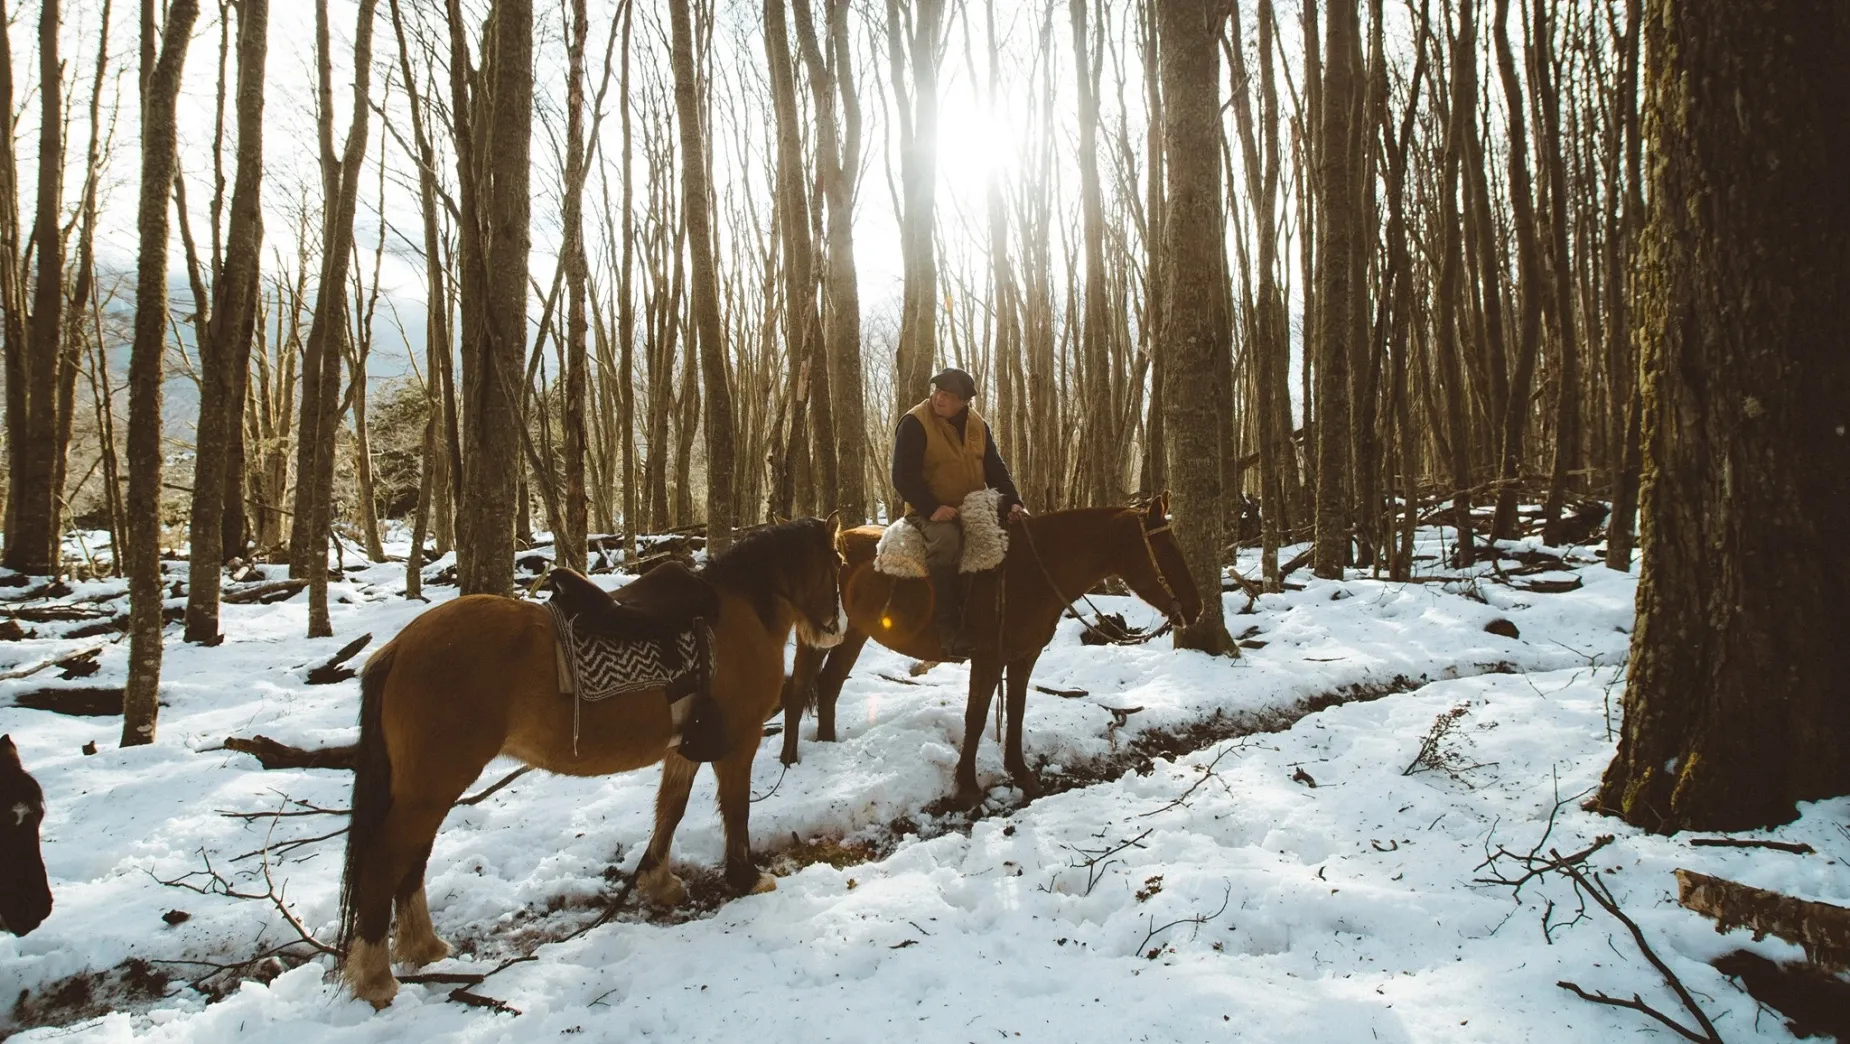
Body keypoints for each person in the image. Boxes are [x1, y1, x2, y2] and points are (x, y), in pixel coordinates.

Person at [890, 368, 1028, 657]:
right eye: (937, 390)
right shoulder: (915, 423)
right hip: (929, 510)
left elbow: (995, 468)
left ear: (964, 402)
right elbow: (902, 476)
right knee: (947, 542)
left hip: (975, 506)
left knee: (1019, 538)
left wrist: (1014, 501)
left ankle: (1001, 617)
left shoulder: (978, 425)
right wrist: (931, 508)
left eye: (949, 395)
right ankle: (947, 628)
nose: (939, 397)